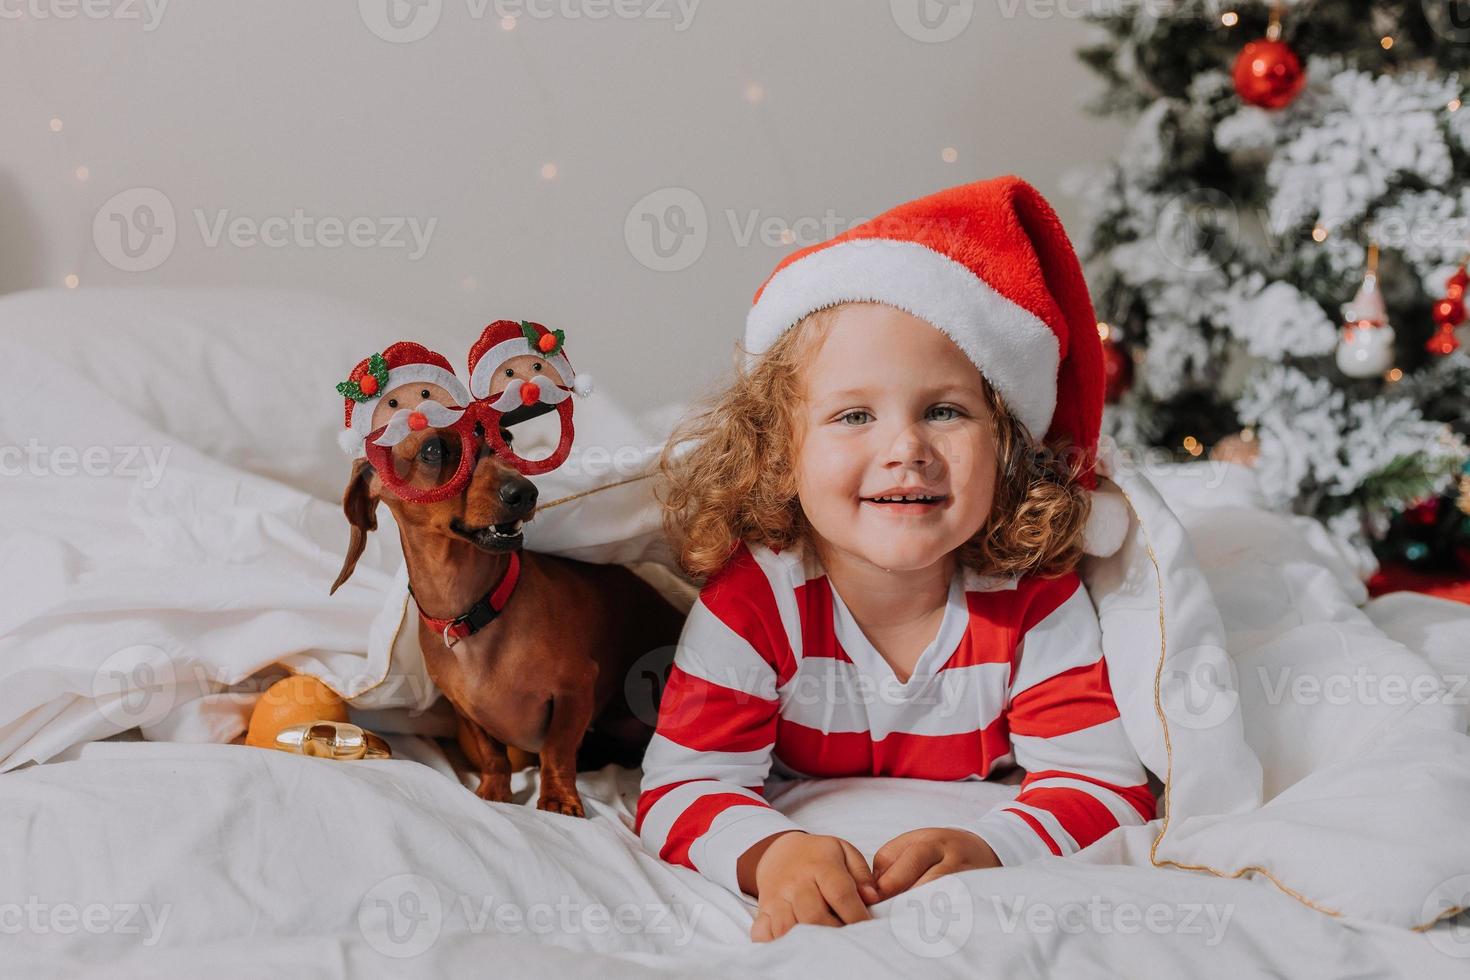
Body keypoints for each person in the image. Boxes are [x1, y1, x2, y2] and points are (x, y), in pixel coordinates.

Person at [636, 176, 1153, 943]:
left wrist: (991, 843)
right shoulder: (755, 602)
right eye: (853, 416)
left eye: (945, 411)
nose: (906, 449)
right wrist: (773, 854)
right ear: (780, 451)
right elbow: (684, 784)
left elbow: (1104, 783)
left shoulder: (1031, 597)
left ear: (1006, 447)